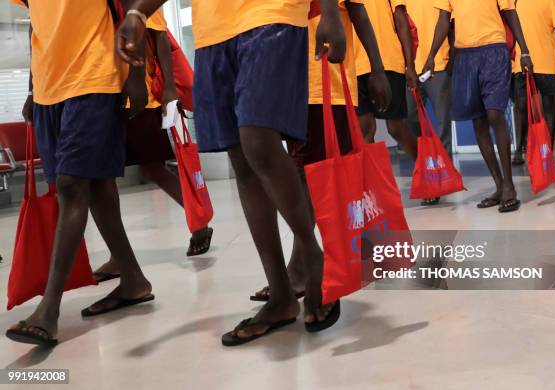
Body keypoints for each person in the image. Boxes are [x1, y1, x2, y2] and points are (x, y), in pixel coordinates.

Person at [116, 0, 347, 346]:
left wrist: (330, 12)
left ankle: (310, 253)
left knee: (258, 140)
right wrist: (137, 13)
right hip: (213, 32)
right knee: (241, 161)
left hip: (273, 14)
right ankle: (281, 295)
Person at [6, 0, 153, 347]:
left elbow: (131, 8)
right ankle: (133, 279)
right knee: (97, 185)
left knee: (71, 187)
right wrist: (31, 87)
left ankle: (49, 310)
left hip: (95, 77)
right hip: (49, 86)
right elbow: (36, 24)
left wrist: (136, 73)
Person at [251, 0, 391, 302]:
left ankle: (302, 268)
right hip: (294, 84)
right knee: (302, 175)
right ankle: (303, 266)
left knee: (308, 178)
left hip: (327, 85)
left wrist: (377, 71)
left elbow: (359, 12)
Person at [92, 9, 213, 284]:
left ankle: (200, 221)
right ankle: (118, 257)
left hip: (138, 95)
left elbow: (158, 37)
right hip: (104, 92)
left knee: (152, 168)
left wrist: (169, 87)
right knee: (107, 176)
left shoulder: (141, 5)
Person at [423, 0, 533, 213]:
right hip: (465, 55)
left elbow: (510, 13)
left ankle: (509, 186)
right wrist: (431, 56)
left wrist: (525, 51)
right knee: (479, 121)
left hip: (494, 49)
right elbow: (443, 21)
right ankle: (499, 186)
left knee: (494, 113)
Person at [354, 0, 419, 160]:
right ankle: (376, 184)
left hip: (388, 60)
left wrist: (410, 66)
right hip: (355, 64)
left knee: (396, 127)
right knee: (365, 130)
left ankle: (426, 171)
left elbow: (401, 21)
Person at [405, 0, 454, 205]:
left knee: (442, 125)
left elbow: (451, 22)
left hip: (438, 67)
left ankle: (441, 179)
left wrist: (450, 58)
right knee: (409, 121)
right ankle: (426, 170)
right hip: (410, 69)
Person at [510, 0, 555, 165]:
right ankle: (520, 148)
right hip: (521, 63)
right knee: (521, 107)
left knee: (548, 108)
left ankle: (547, 152)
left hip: (548, 62)